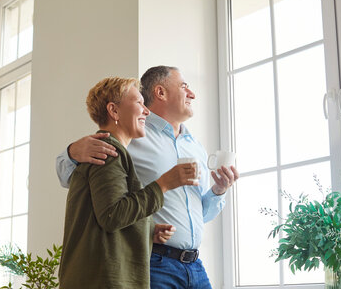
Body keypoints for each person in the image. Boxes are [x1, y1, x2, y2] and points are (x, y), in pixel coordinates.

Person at [57, 66, 239, 289]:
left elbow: (198, 215)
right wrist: (72, 152)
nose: (192, 94)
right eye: (184, 86)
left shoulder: (195, 147)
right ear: (161, 93)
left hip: (195, 265)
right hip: (156, 263)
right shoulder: (127, 138)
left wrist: (218, 191)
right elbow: (83, 187)